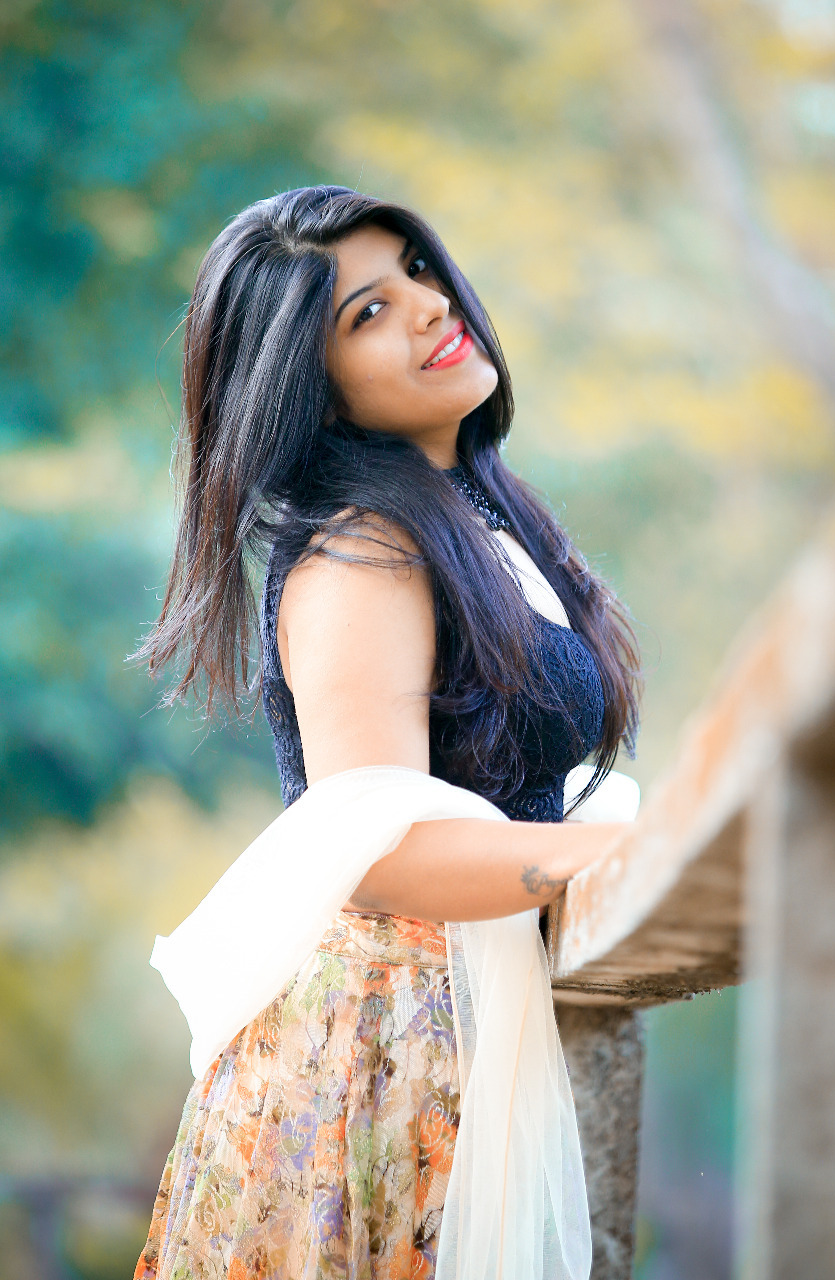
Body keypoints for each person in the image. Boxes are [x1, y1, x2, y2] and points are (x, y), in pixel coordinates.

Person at [133, 185, 641, 1280]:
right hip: (373, 1061)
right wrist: (614, 853)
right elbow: (380, 848)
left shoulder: (472, 511)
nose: (428, 303)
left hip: (450, 1034)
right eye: (367, 312)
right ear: (313, 395)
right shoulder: (360, 551)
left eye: (414, 267)